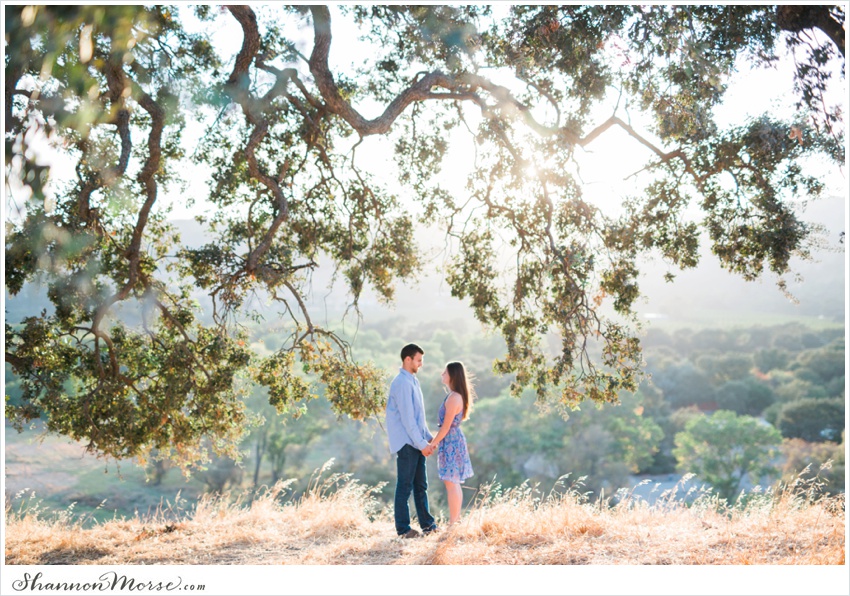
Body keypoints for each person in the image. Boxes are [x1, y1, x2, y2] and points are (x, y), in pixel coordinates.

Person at [385, 343, 438, 538]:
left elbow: (418, 417)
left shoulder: (413, 381)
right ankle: (403, 529)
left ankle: (428, 525)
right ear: (408, 359)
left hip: (416, 441)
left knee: (421, 486)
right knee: (405, 486)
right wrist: (422, 444)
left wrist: (428, 438)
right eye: (418, 360)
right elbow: (407, 420)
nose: (421, 364)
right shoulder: (401, 383)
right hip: (407, 444)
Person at [425, 361, 474, 526]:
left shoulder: (454, 398)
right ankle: (456, 521)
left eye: (444, 372)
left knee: (451, 483)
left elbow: (446, 427)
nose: (442, 375)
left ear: (452, 375)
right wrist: (434, 440)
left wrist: (433, 444)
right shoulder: (454, 395)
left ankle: (454, 523)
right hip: (450, 439)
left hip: (451, 441)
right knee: (452, 482)